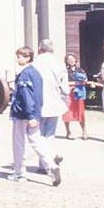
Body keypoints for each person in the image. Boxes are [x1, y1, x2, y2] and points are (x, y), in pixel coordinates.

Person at [9, 47, 61, 185]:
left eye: (20, 56)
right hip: (34, 112)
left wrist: (31, 115)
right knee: (37, 141)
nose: (17, 58)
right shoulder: (36, 73)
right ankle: (51, 166)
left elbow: (27, 96)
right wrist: (36, 113)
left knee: (18, 142)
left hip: (23, 113)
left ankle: (19, 173)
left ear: (27, 57)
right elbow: (38, 95)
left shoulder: (25, 74)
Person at [33, 39, 68, 172]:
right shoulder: (59, 64)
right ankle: (49, 160)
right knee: (49, 135)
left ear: (39, 49)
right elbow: (65, 87)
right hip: (55, 102)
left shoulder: (35, 63)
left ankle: (47, 162)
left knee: (37, 135)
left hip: (39, 103)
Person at [63, 53, 88, 140]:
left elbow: (85, 81)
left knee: (80, 112)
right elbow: (62, 82)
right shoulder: (64, 71)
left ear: (75, 59)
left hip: (79, 92)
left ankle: (84, 131)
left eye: (72, 58)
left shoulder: (80, 70)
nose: (71, 60)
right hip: (68, 92)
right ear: (66, 61)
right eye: (69, 59)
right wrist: (75, 83)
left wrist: (82, 82)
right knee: (66, 112)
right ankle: (68, 132)